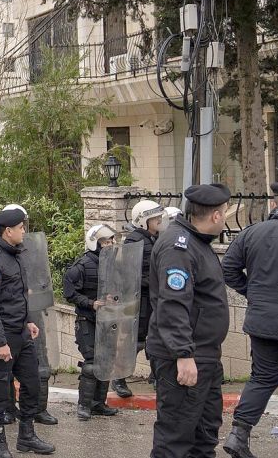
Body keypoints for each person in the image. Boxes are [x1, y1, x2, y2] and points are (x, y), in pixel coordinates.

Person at [221, 182, 278, 458]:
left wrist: (253, 293)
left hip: (263, 324)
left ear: (273, 205)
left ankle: (239, 434)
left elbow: (229, 268)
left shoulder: (251, 233)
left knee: (262, 378)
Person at [147, 183, 230, 458]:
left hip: (204, 355)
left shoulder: (197, 242)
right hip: (183, 358)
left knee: (204, 436)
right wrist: (183, 354)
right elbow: (173, 305)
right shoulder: (178, 246)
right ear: (216, 216)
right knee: (176, 439)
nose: (226, 218)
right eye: (225, 213)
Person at [0, 208, 55, 457]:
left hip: (21, 334)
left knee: (32, 384)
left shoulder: (16, 255)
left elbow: (20, 296)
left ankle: (27, 436)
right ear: (8, 231)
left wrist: (29, 321)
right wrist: (0, 343)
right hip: (3, 338)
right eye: (21, 227)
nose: (24, 231)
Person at [63, 224, 121, 421]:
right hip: (87, 320)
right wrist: (90, 303)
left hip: (107, 320)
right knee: (91, 363)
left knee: (105, 362)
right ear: (95, 243)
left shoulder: (113, 264)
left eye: (111, 240)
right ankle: (84, 405)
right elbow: (69, 293)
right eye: (106, 241)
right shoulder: (81, 266)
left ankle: (98, 404)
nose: (110, 244)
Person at [117, 200, 166, 396]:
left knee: (157, 340)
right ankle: (118, 379)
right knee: (134, 342)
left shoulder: (156, 238)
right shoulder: (134, 241)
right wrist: (153, 281)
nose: (159, 220)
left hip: (155, 299)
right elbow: (128, 273)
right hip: (139, 302)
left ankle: (157, 378)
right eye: (155, 218)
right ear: (143, 220)